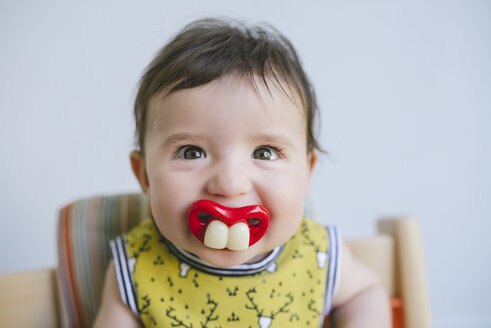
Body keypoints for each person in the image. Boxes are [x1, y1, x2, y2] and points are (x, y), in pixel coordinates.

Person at [93, 18, 391, 328]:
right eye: (192, 152)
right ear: (144, 176)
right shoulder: (134, 268)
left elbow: (365, 293)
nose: (230, 184)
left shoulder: (320, 257)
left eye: (264, 153)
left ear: (307, 173)